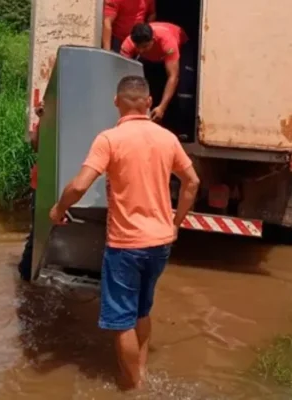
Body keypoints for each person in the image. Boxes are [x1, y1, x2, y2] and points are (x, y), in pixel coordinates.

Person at [48, 76, 200, 391]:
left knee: (121, 323)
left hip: (125, 246)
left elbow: (79, 185)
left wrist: (58, 209)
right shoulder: (167, 138)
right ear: (148, 102)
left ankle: (132, 389)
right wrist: (175, 223)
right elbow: (193, 183)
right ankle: (140, 372)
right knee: (143, 310)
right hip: (160, 244)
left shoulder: (109, 139)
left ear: (116, 103)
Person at [119, 21, 192, 124]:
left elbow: (173, 77)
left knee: (183, 86)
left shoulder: (168, 41)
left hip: (179, 44)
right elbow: (122, 75)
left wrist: (162, 107)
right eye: (138, 47)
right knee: (149, 83)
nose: (140, 50)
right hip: (154, 56)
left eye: (144, 46)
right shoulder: (128, 44)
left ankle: (181, 126)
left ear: (152, 40)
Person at [17, 106, 44, 282]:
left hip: (43, 182)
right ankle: (27, 274)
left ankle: (26, 276)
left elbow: (35, 144)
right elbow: (35, 144)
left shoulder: (53, 113)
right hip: (43, 182)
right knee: (37, 233)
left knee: (37, 232)